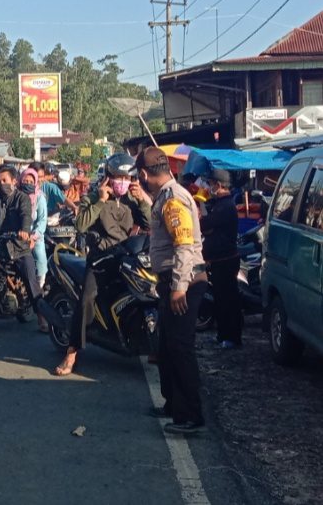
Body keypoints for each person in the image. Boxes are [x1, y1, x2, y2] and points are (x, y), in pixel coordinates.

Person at [54, 153, 151, 376]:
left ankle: (149, 344)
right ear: (108, 177)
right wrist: (100, 201)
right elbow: (80, 225)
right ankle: (72, 351)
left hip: (126, 258)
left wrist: (141, 200)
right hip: (100, 260)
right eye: (118, 177)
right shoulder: (92, 197)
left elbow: (149, 223)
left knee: (145, 293)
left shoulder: (131, 200)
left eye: (127, 178)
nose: (122, 182)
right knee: (86, 300)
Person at [135, 146, 208, 435]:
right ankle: (173, 405)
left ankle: (190, 416)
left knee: (180, 348)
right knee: (166, 346)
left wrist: (178, 287)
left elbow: (184, 245)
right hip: (172, 282)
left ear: (143, 174)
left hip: (185, 282)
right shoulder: (164, 196)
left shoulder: (173, 198)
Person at [0, 165, 52, 332]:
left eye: (4, 180)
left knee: (31, 280)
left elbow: (26, 216)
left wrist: (25, 231)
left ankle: (42, 318)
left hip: (19, 248)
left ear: (14, 181)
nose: (1, 184)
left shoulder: (22, 198)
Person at [200, 168, 242, 349]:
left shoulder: (225, 206)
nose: (208, 187)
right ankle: (222, 335)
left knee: (228, 301)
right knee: (220, 300)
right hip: (218, 260)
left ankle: (232, 337)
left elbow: (205, 225)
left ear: (218, 185)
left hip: (225, 260)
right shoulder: (219, 204)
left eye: (210, 184)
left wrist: (200, 204)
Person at [19, 168, 48, 291]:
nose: (28, 184)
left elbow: (42, 220)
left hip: (34, 234)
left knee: (39, 255)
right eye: (25, 181)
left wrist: (34, 236)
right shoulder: (15, 195)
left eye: (31, 182)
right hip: (17, 233)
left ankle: (40, 283)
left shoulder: (39, 197)